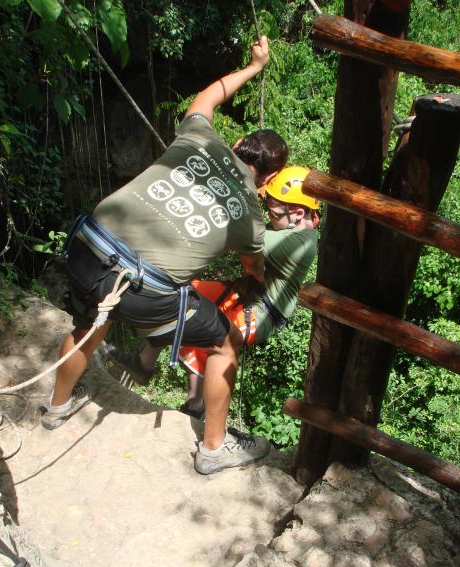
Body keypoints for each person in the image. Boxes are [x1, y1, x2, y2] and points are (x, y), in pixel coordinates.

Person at [40, 37, 289, 475]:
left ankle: (57, 407)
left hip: (86, 248)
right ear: (269, 179)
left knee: (90, 322)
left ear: (238, 142)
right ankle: (213, 450)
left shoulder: (199, 136)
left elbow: (210, 96)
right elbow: (254, 269)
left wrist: (254, 66)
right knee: (226, 342)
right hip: (141, 291)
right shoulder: (252, 217)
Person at [108, 167, 319, 434]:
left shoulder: (301, 244)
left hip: (262, 312)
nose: (269, 216)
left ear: (297, 213)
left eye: (274, 213)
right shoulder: (291, 228)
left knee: (204, 333)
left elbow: (242, 236)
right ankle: (143, 364)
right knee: (178, 294)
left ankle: (196, 405)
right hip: (243, 293)